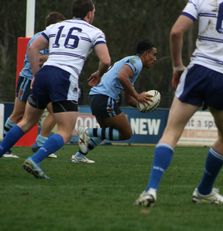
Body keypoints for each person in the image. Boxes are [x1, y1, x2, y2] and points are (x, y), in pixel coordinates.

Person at [134, 0, 223, 207]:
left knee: (171, 131)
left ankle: (151, 189)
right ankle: (204, 191)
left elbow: (176, 32)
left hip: (197, 73)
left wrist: (177, 66)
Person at [0, 0, 111, 179]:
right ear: (90, 13)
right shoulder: (94, 31)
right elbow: (106, 60)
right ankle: (35, 159)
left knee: (26, 121)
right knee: (66, 131)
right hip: (64, 78)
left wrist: (36, 75)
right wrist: (99, 73)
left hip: (45, 74)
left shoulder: (57, 26)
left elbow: (33, 47)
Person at [72, 40, 157, 164]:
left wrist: (142, 105)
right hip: (104, 97)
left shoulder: (131, 64)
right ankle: (86, 131)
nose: (155, 59)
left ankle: (79, 155)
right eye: (153, 54)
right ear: (146, 53)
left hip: (97, 96)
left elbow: (128, 99)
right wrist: (138, 95)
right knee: (126, 133)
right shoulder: (136, 62)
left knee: (105, 131)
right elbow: (121, 76)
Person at [2, 12, 65, 159]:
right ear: (54, 25)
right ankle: (5, 147)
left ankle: (40, 143)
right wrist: (55, 57)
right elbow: (38, 58)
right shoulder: (40, 38)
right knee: (18, 114)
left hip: (44, 82)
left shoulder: (55, 40)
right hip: (28, 78)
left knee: (57, 112)